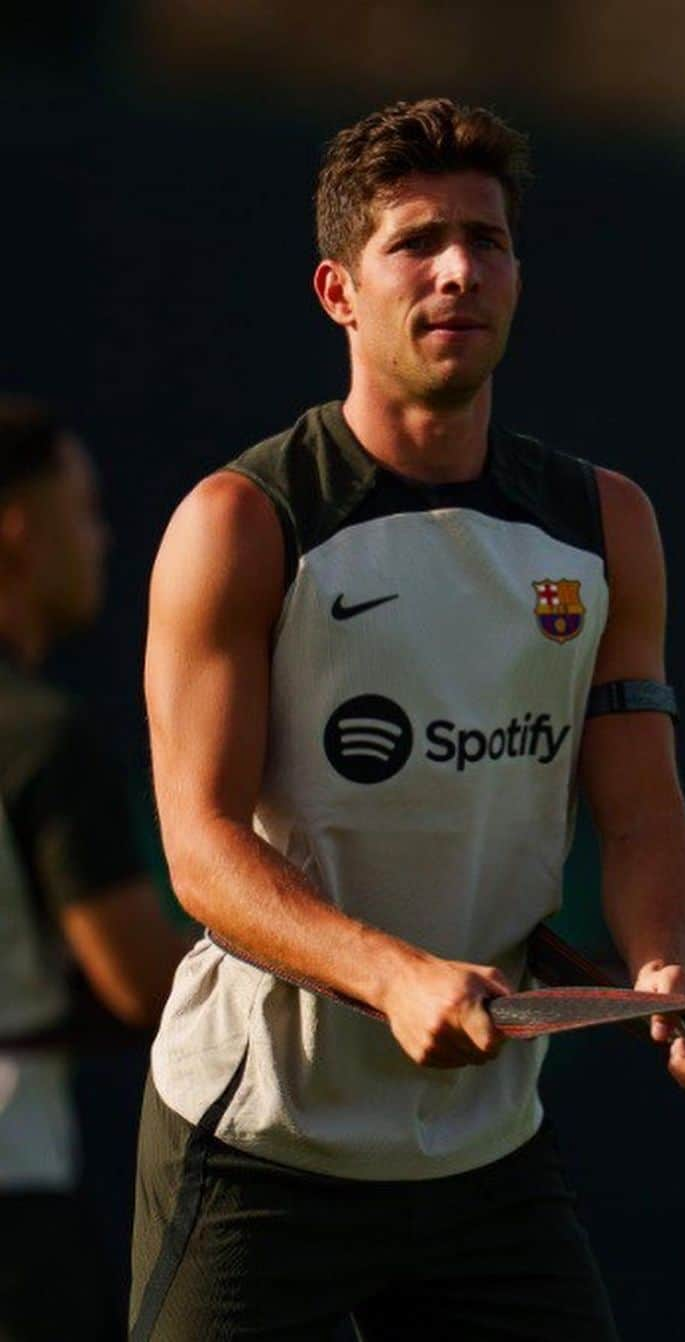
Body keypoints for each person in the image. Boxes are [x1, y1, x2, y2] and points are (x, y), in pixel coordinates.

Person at [130, 97, 685, 1342]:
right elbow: (200, 852)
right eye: (416, 241)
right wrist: (392, 974)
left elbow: (639, 812)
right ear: (338, 292)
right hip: (262, 1138)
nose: (460, 266)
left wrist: (658, 969)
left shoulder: (603, 522)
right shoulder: (242, 523)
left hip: (486, 1157)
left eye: (488, 237)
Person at [0, 398, 192, 1341]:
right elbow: (143, 982)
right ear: (18, 528)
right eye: (84, 510)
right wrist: (351, 966)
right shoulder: (37, 736)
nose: (103, 539)